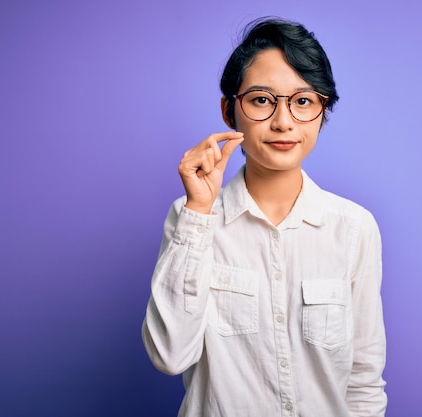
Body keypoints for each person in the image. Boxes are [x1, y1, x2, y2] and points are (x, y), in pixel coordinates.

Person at [142, 17, 387, 417]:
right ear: (229, 110)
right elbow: (169, 355)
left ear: (323, 111)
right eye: (261, 100)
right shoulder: (191, 220)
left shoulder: (354, 228)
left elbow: (363, 381)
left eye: (303, 101)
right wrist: (199, 212)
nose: (283, 121)